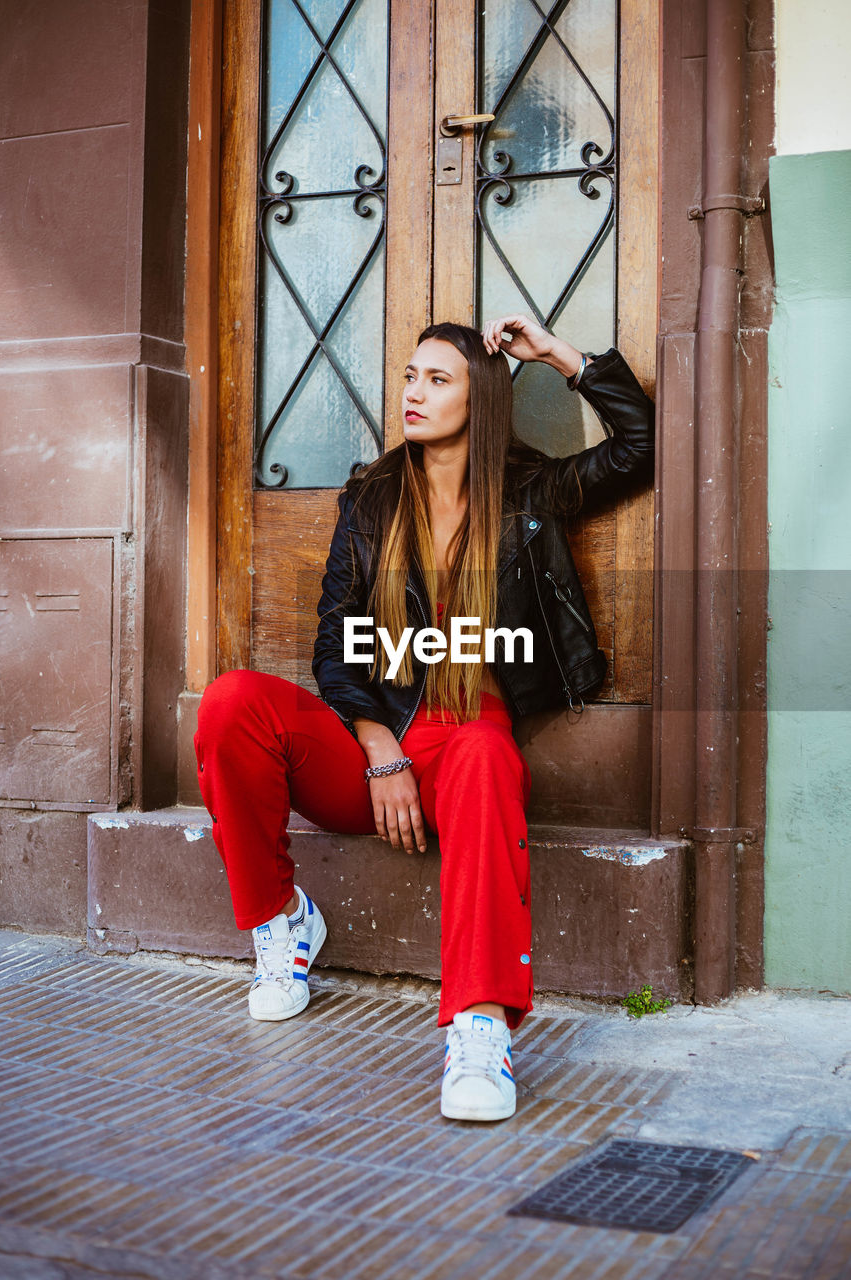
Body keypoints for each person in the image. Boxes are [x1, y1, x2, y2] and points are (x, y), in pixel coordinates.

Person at [195, 313, 654, 1122]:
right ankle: (282, 924)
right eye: (409, 376)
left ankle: (479, 1029)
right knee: (233, 700)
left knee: (481, 752)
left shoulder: (528, 492)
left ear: (478, 397)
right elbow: (335, 639)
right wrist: (376, 747)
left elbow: (639, 444)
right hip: (372, 748)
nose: (413, 392)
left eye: (437, 379)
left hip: (466, 742)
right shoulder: (370, 499)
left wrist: (554, 355)